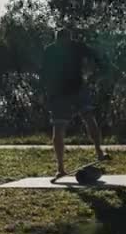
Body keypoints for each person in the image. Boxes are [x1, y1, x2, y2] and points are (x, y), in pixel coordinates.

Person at [40, 27, 110, 181]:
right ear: (57, 40)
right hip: (59, 94)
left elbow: (95, 56)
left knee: (88, 117)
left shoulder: (76, 47)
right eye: (61, 42)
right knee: (59, 127)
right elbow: (44, 73)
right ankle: (60, 168)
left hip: (77, 89)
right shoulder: (51, 51)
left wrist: (100, 70)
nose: (64, 44)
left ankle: (99, 150)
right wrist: (46, 93)